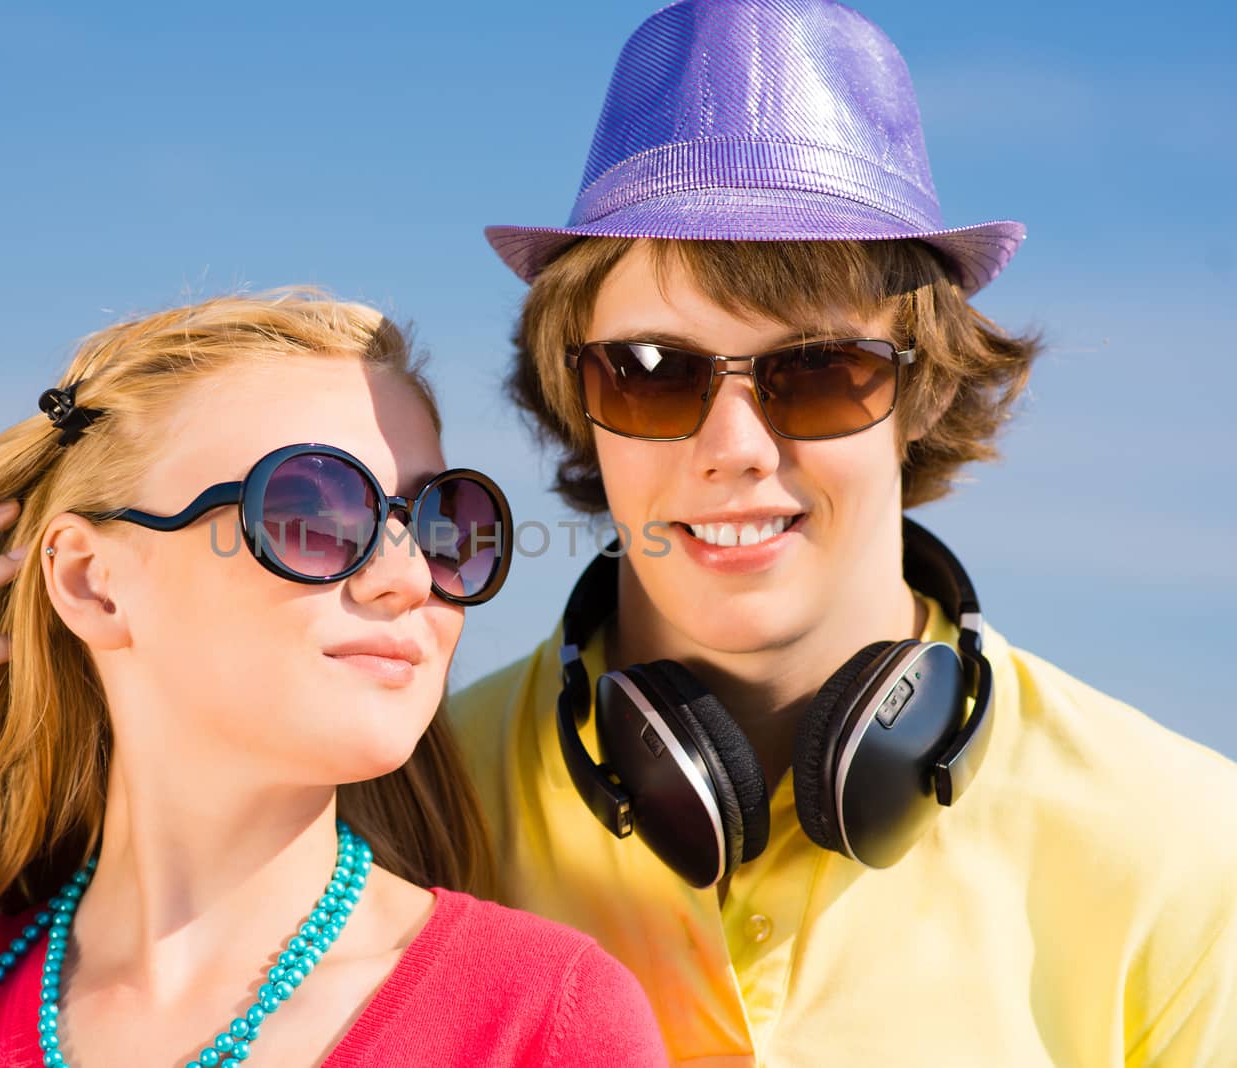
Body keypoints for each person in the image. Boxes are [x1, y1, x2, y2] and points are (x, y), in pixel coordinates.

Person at [450, 1, 1237, 1064]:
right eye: (649, 372)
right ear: (573, 395)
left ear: (922, 398)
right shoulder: (409, 815)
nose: (734, 446)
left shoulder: (1186, 844)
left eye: (818, 370)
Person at [0, 291, 670, 1066]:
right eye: (316, 512)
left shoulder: (541, 1018)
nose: (408, 577)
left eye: (442, 523)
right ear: (91, 582)